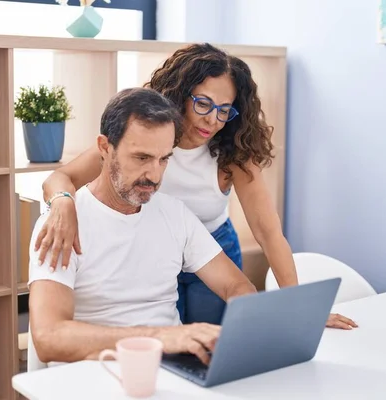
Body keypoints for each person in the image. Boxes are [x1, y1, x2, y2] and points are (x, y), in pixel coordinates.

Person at [36, 43, 357, 330]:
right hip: (155, 250)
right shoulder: (148, 137)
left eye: (224, 110)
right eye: (203, 104)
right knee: (166, 337)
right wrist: (64, 203)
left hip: (214, 251)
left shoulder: (233, 154)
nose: (212, 120)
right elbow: (59, 178)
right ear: (180, 94)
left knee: (206, 343)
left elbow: (269, 232)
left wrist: (298, 307)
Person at [28, 87, 257, 366]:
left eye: (164, 159)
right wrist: (159, 338)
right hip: (97, 374)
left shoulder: (176, 215)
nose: (154, 175)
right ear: (104, 148)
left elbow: (236, 285)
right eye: (141, 158)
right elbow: (49, 339)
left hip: (169, 370)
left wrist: (247, 326)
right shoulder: (62, 225)